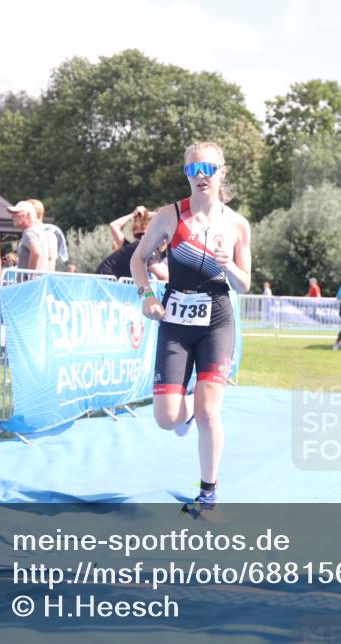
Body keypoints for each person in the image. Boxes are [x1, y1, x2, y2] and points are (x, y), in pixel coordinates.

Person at [131, 141, 251, 510]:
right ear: (185, 174)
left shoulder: (237, 224)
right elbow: (138, 259)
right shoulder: (169, 216)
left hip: (217, 320)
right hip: (175, 319)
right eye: (193, 169)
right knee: (167, 419)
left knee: (210, 410)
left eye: (209, 169)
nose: (201, 176)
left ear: (222, 172)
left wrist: (228, 265)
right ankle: (191, 406)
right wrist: (146, 295)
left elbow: (244, 284)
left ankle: (208, 492)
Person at [97, 207, 168, 280]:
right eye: (139, 235)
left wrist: (153, 215)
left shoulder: (132, 249)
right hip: (105, 281)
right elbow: (162, 276)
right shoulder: (143, 247)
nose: (142, 237)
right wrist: (133, 214)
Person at [9, 200, 50, 270]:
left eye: (16, 213)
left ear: (27, 215)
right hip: (40, 276)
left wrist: (29, 274)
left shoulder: (29, 232)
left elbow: (36, 253)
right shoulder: (38, 231)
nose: (12, 216)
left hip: (32, 277)